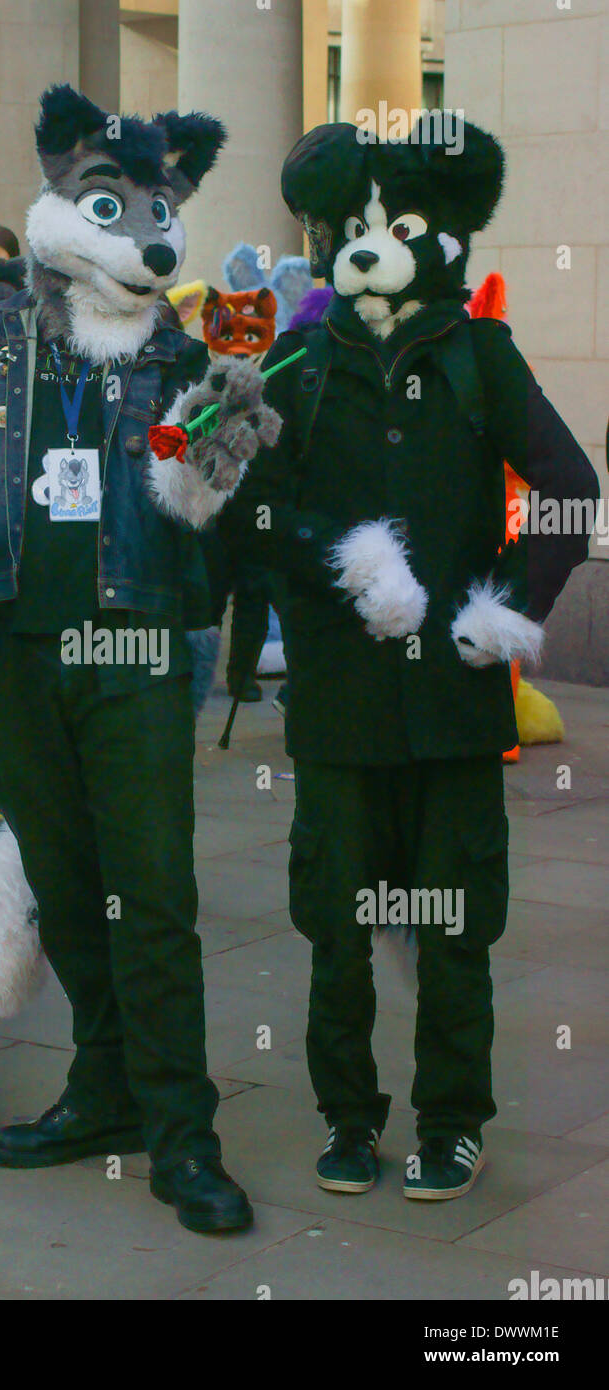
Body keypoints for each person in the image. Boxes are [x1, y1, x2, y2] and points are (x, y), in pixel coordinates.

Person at [0, 85, 279, 1234]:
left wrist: (219, 468)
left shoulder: (185, 350)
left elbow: (207, 512)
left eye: (157, 208)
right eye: (113, 202)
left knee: (153, 897)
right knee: (65, 887)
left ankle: (183, 1133)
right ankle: (105, 1092)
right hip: (10, 649)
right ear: (58, 201)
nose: (139, 228)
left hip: (135, 652)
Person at [233, 119, 598, 1200]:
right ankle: (347, 1117)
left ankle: (452, 1118)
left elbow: (568, 489)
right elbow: (245, 515)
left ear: (440, 235)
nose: (365, 246)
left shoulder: (478, 354)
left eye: (390, 227)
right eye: (350, 227)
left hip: (450, 701)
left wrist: (506, 610)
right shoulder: (298, 359)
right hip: (340, 706)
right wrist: (333, 561)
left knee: (453, 927)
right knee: (335, 930)